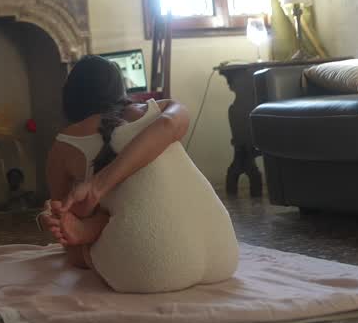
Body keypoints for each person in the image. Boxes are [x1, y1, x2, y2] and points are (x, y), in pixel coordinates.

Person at [38, 55, 238, 292]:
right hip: (225, 255)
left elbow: (66, 232)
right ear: (120, 88)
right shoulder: (162, 108)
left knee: (92, 217)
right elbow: (167, 126)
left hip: (149, 270)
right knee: (129, 202)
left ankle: (92, 227)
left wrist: (90, 192)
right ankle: (95, 223)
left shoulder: (64, 145)